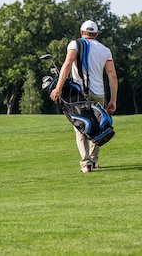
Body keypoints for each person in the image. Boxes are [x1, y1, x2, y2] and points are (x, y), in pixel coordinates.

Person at [49, 20, 118, 173]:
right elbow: (112, 75)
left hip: (79, 94)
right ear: (97, 34)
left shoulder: (75, 44)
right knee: (98, 125)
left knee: (80, 126)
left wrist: (58, 88)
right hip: (99, 93)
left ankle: (86, 164)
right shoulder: (105, 50)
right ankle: (94, 161)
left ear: (82, 33)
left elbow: (67, 64)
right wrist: (113, 99)